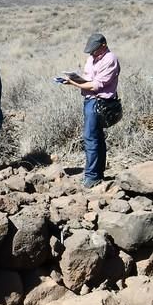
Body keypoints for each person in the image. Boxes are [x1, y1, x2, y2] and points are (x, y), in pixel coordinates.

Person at [60, 33, 120, 188]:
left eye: (95, 50)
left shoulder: (110, 59)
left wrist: (73, 83)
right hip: (89, 101)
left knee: (91, 139)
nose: (92, 53)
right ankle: (97, 174)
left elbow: (96, 86)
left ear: (104, 45)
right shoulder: (92, 59)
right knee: (96, 138)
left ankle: (92, 176)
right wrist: (75, 80)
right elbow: (88, 80)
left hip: (99, 102)